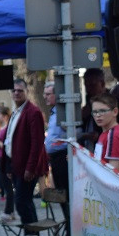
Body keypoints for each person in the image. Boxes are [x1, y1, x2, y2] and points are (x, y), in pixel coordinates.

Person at [1, 79, 47, 232]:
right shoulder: (16, 112)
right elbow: (10, 140)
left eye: (20, 90)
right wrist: (9, 166)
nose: (16, 93)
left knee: (22, 202)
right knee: (24, 202)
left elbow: (37, 143)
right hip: (16, 165)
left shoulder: (33, 112)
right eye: (13, 90)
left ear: (26, 92)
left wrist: (30, 168)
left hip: (27, 167)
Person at [43, 83, 69, 222]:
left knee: (65, 194)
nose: (45, 96)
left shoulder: (63, 112)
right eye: (45, 94)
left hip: (62, 157)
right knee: (61, 194)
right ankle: (67, 221)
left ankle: (70, 226)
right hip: (54, 158)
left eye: (48, 94)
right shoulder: (54, 112)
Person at [92, 93, 119, 176]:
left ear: (115, 112)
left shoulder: (114, 135)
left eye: (102, 111)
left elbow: (114, 172)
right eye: (94, 112)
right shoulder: (105, 133)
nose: (98, 115)